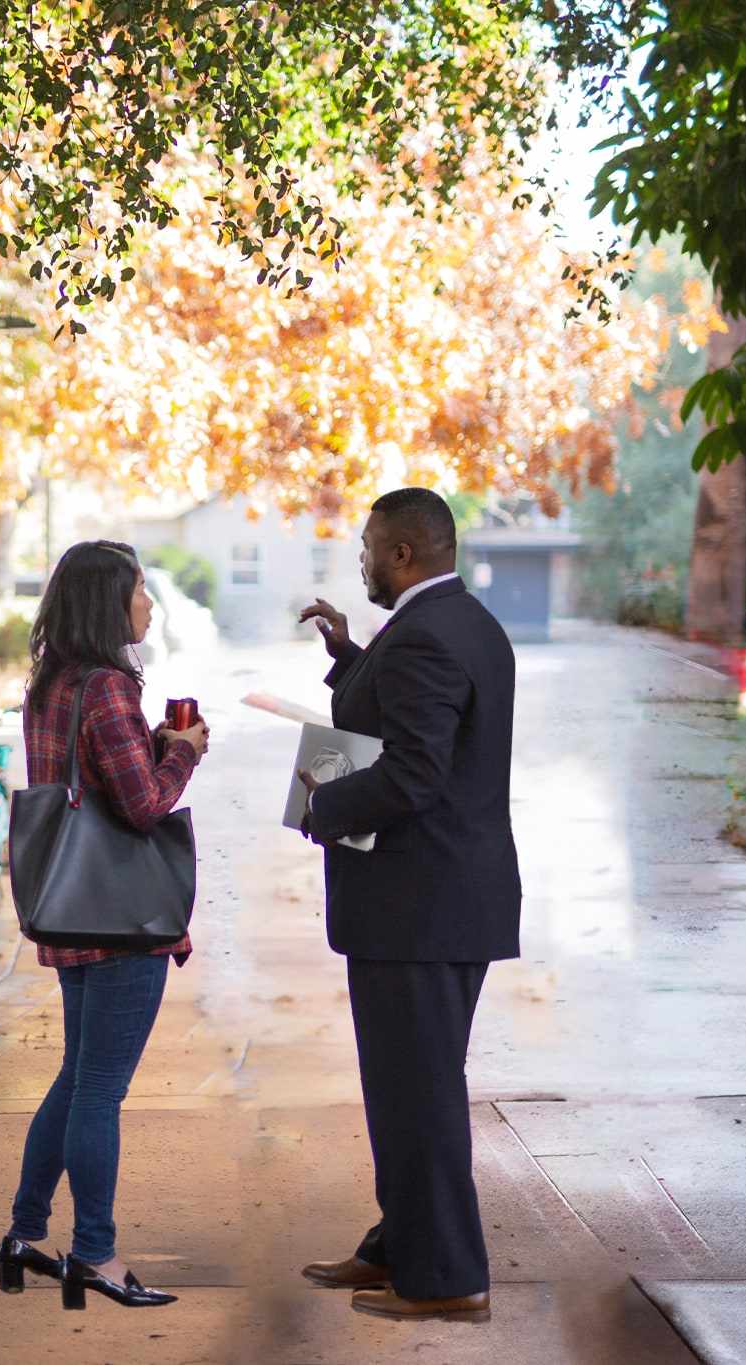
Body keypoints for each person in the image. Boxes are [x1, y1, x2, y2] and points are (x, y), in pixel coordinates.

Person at [293, 487, 521, 1323]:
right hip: (443, 902)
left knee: (419, 1093)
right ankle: (401, 1246)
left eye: (366, 547)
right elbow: (417, 723)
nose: (359, 561)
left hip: (419, 908)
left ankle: (447, 1279)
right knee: (407, 1088)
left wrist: (326, 806)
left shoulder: (425, 636)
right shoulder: (464, 623)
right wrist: (352, 658)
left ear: (402, 553)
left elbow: (416, 773)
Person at [0, 539, 210, 1311]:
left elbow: (96, 780)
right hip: (121, 922)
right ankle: (94, 1252)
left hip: (71, 905)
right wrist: (181, 754)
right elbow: (145, 805)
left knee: (77, 1078)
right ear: (107, 601)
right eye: (140, 590)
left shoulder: (53, 683)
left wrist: (154, 749)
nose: (148, 604)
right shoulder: (111, 688)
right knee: (99, 1092)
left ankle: (24, 1233)